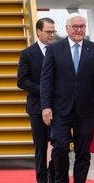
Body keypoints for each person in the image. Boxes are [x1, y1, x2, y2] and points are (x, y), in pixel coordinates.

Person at [41, 13, 94, 183]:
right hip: (60, 110)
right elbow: (46, 80)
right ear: (67, 28)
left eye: (82, 26)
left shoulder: (92, 48)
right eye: (75, 26)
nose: (79, 30)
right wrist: (45, 106)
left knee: (83, 152)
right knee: (60, 148)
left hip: (86, 110)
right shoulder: (54, 49)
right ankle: (60, 180)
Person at [17, 17, 56, 183]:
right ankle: (42, 180)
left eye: (53, 31)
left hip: (58, 107)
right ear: (38, 32)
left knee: (57, 146)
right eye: (48, 32)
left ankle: (55, 178)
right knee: (40, 147)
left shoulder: (59, 51)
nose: (52, 35)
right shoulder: (27, 53)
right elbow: (22, 81)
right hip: (36, 107)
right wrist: (44, 90)